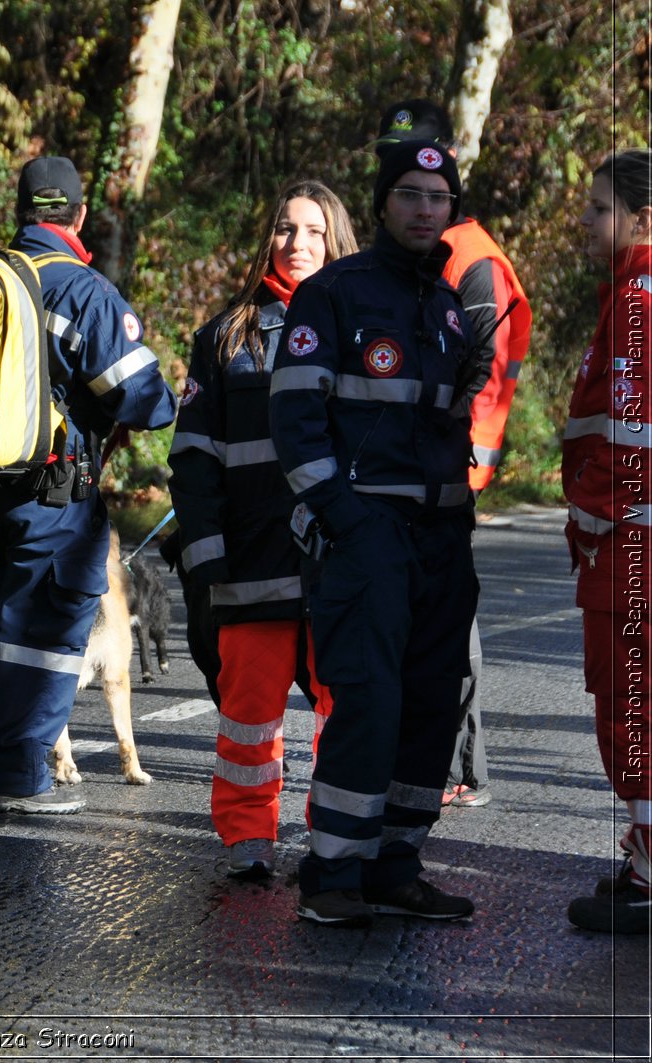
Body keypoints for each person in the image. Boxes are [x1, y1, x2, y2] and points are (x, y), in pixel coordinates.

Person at [269, 140, 480, 927]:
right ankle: (332, 871)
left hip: (441, 537)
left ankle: (396, 863)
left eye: (439, 197)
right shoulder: (333, 293)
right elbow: (294, 417)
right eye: (411, 195)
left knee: (431, 702)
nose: (426, 209)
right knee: (369, 701)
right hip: (369, 536)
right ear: (384, 202)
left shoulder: (449, 302)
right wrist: (347, 521)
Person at [0, 156, 177, 815]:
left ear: (19, 212)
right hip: (54, 493)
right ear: (78, 217)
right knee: (41, 628)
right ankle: (18, 777)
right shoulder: (83, 291)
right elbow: (146, 399)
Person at [168, 180, 357, 878]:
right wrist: (207, 561)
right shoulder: (225, 337)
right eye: (284, 228)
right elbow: (192, 461)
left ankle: (336, 840)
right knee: (249, 721)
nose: (297, 243)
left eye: (312, 230)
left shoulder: (362, 329)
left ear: (336, 240)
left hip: (338, 563)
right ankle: (248, 841)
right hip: (251, 566)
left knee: (347, 713)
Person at [374, 99, 535, 811]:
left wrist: (454, 451)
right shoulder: (411, 253)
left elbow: (483, 369)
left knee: (449, 618)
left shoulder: (471, 259)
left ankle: (458, 763)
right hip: (411, 464)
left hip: (450, 462)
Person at [563, 149, 652, 934]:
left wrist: (591, 518)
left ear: (643, 219)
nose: (586, 221)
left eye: (599, 208)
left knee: (632, 712)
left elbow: (635, 436)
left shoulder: (640, 305)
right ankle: (644, 856)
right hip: (629, 546)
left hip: (632, 551)